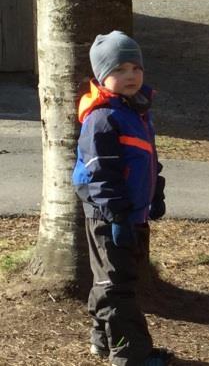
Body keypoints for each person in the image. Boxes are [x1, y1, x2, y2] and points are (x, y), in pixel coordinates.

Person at [72, 30, 171, 366]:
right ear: (102, 76)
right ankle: (131, 354)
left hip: (133, 213)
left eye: (135, 68)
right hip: (108, 216)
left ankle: (102, 340)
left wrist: (155, 193)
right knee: (117, 285)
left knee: (116, 277)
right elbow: (100, 175)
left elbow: (147, 160)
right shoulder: (103, 119)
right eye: (119, 70)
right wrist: (115, 216)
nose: (130, 75)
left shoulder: (136, 111)